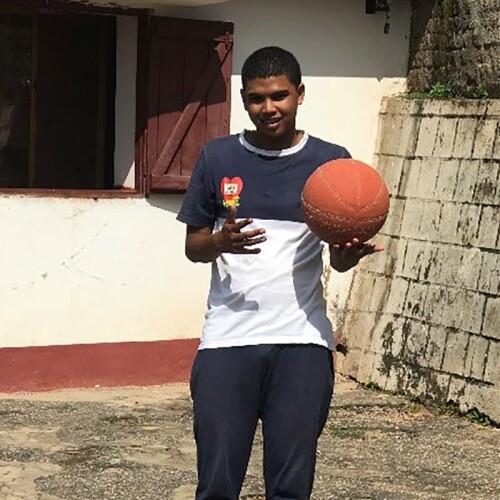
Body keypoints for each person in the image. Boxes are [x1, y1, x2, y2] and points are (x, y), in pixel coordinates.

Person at [177, 46, 383, 500]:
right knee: (216, 483)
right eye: (256, 99)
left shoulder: (332, 163)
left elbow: (336, 257)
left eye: (279, 96)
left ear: (300, 95)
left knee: (291, 486)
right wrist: (218, 242)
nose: (268, 108)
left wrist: (347, 257)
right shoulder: (216, 158)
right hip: (227, 341)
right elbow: (194, 248)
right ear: (244, 100)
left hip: (302, 344)